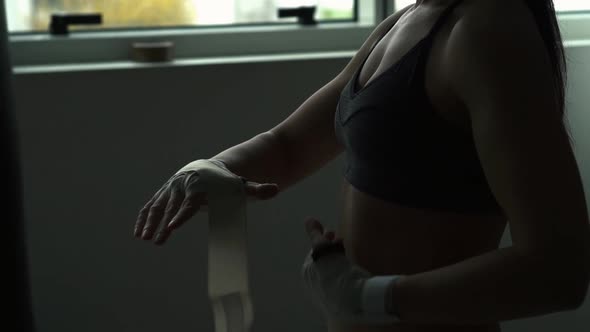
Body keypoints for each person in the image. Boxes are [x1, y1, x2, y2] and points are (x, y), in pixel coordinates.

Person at [134, 0, 590, 331]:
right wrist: (213, 167)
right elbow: (291, 144)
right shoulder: (408, 21)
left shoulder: (488, 30)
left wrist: (363, 298)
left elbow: (558, 271)